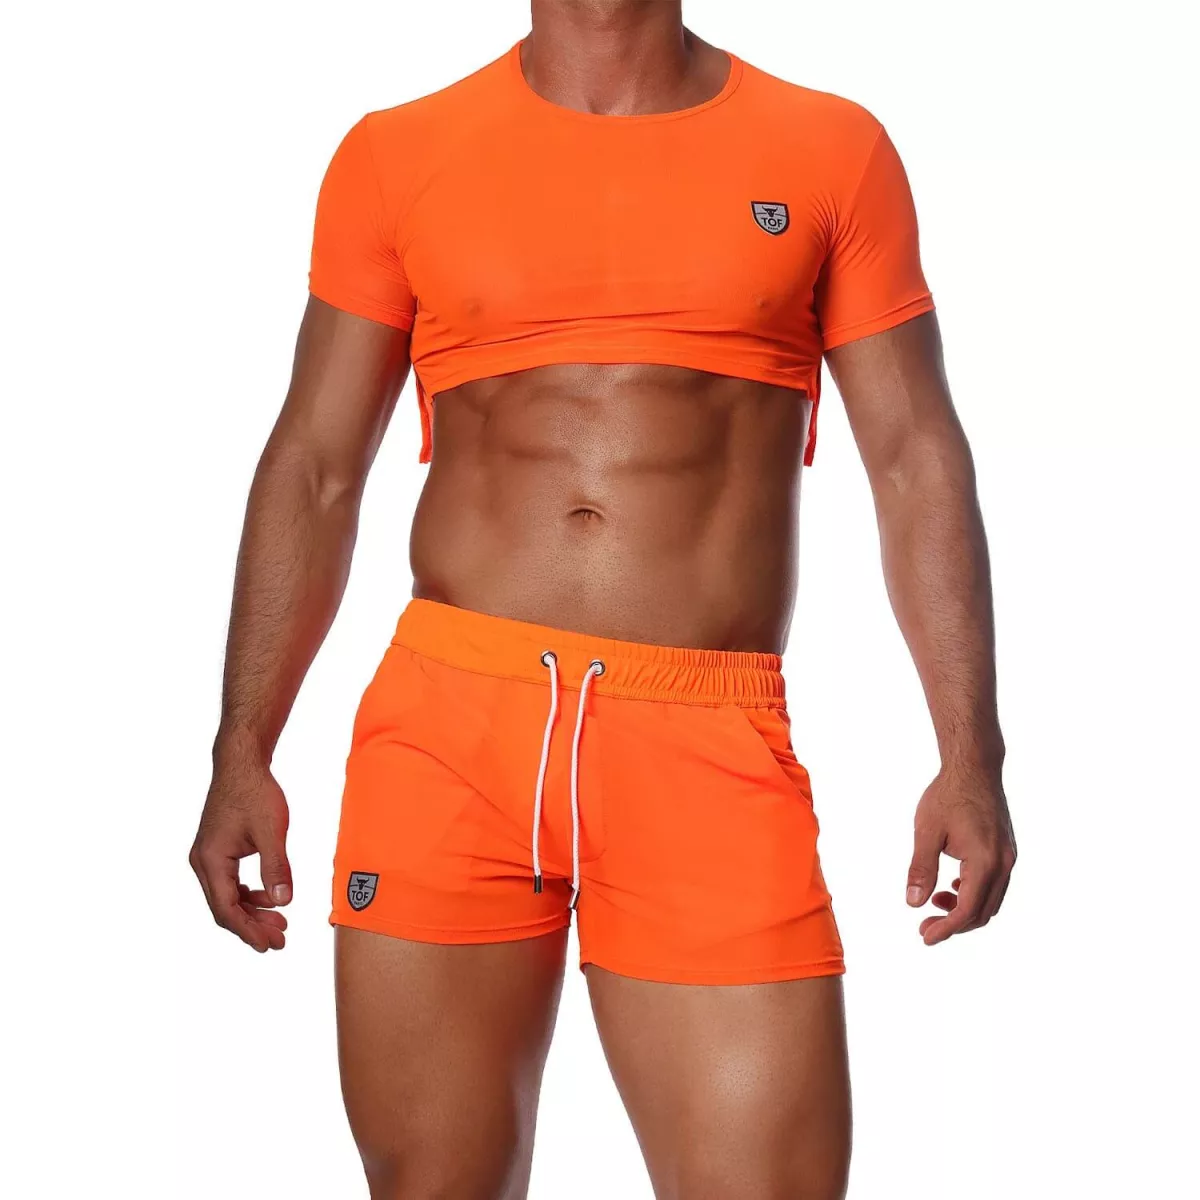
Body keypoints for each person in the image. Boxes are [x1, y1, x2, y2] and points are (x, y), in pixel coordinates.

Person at [189, 2, 1016, 1195]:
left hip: (705, 738)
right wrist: (242, 749)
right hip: (449, 731)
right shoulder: (398, 152)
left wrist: (971, 754)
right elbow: (314, 468)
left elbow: (914, 460)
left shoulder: (829, 150)